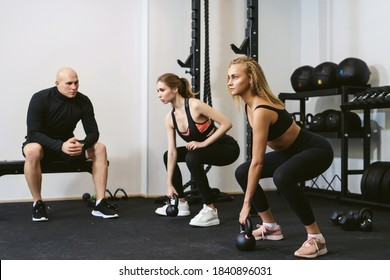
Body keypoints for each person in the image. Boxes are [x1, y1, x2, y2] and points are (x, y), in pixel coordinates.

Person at [227, 56, 334, 258]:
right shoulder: (248, 106)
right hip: (290, 152)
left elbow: (258, 162)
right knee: (242, 171)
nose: (229, 82)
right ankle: (271, 226)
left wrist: (246, 204)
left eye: (235, 77)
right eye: (228, 77)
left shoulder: (261, 110)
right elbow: (253, 164)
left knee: (282, 176)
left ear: (250, 79)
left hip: (316, 150)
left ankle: (316, 238)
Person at [22, 67, 118, 222]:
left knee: (100, 148)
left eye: (76, 82)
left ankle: (100, 203)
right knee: (32, 150)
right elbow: (34, 133)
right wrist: (60, 145)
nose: (74, 87)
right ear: (57, 83)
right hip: (42, 144)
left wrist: (83, 144)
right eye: (69, 83)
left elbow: (93, 133)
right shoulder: (40, 98)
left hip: (68, 145)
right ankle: (37, 204)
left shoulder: (83, 101)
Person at [155, 73, 240, 227]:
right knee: (168, 155)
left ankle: (210, 209)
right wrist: (169, 184)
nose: (159, 95)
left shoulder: (194, 105)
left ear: (174, 89)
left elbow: (227, 123)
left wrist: (203, 143)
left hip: (227, 149)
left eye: (162, 90)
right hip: (202, 152)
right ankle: (181, 202)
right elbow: (173, 152)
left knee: (191, 157)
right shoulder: (170, 118)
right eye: (158, 91)